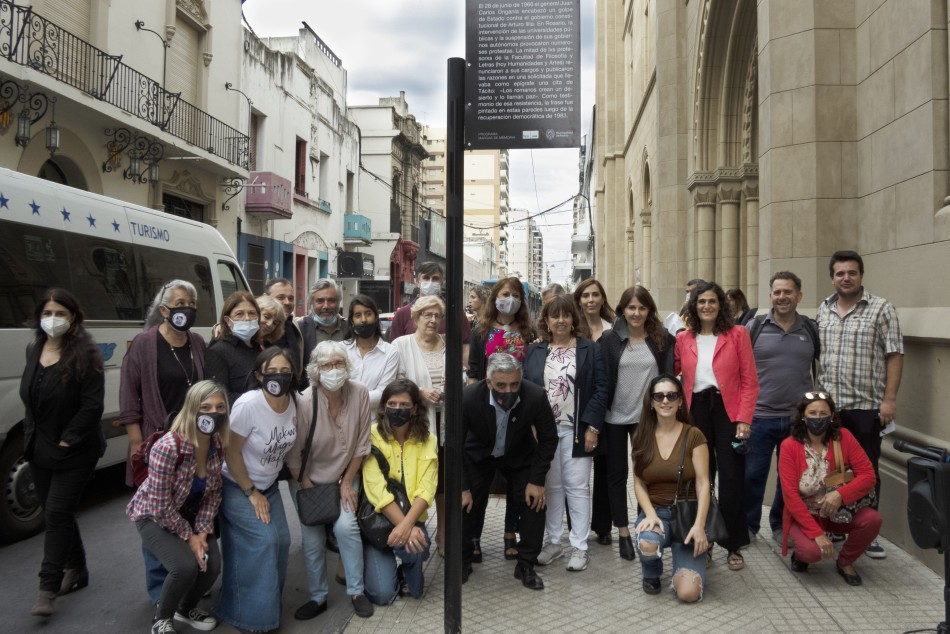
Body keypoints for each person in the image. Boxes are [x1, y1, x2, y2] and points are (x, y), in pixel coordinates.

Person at [120, 280, 208, 604]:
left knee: (185, 507)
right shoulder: (144, 344)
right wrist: (135, 441)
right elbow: (129, 393)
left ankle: (184, 583)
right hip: (157, 444)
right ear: (164, 310)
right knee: (157, 515)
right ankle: (161, 593)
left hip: (192, 444)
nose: (185, 308)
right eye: (179, 302)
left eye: (190, 302)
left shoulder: (198, 342)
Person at [21, 289, 104, 618]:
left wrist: (67, 441)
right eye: (46, 313)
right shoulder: (35, 348)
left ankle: (47, 588)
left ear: (72, 318)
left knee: (55, 514)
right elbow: (31, 397)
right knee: (59, 512)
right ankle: (78, 568)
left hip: (75, 451)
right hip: (39, 448)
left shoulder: (86, 355)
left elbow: (92, 406)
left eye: (60, 313)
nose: (52, 319)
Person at [816, 250, 903, 559]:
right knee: (831, 470)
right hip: (830, 410)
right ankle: (834, 525)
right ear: (833, 277)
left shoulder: (881, 309)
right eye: (840, 273)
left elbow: (894, 354)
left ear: (861, 275)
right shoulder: (823, 310)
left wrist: (889, 400)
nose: (846, 278)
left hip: (866, 407)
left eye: (851, 272)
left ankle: (867, 532)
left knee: (867, 471)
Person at [127, 380, 228, 634]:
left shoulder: (216, 445)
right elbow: (160, 507)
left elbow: (212, 495)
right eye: (205, 407)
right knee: (184, 566)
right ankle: (162, 618)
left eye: (219, 407)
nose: (212, 414)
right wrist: (190, 537)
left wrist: (203, 532)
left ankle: (185, 608)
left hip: (191, 515)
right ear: (192, 409)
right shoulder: (168, 447)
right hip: (153, 515)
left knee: (211, 564)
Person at [286, 341, 375, 620]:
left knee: (347, 529)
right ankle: (318, 597)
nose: (334, 370)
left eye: (339, 364)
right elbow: (293, 453)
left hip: (344, 477)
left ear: (346, 367)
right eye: (326, 365)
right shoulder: (304, 401)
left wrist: (348, 482)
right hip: (308, 479)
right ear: (316, 370)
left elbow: (362, 444)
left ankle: (357, 592)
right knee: (312, 539)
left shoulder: (359, 393)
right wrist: (306, 485)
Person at [674, 281, 759, 571]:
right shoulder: (684, 338)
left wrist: (744, 419)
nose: (707, 306)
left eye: (712, 301)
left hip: (728, 410)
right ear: (693, 307)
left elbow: (749, 381)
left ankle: (734, 543)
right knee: (701, 477)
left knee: (733, 478)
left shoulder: (738, 334)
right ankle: (704, 538)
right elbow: (675, 374)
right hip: (696, 410)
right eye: (701, 302)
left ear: (721, 304)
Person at [214, 348, 298, 632]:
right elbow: (231, 451)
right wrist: (251, 492)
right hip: (237, 484)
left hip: (268, 485)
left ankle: (266, 608)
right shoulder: (249, 404)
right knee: (263, 541)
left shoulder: (294, 402)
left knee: (282, 542)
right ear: (259, 375)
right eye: (272, 371)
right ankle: (245, 614)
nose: (279, 377)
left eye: (285, 371)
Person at [524, 295, 608, 572]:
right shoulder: (535, 351)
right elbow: (527, 389)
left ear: (574, 319)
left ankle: (580, 547)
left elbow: (600, 389)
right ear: (546, 321)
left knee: (578, 488)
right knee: (553, 488)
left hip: (578, 430)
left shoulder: (590, 349)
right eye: (554, 316)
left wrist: (592, 428)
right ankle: (554, 542)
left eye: (566, 315)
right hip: (545, 433)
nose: (560, 320)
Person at [461, 353, 558, 590]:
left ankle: (526, 564)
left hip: (519, 454)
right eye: (501, 385)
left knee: (535, 501)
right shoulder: (468, 398)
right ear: (488, 382)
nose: (508, 390)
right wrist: (462, 487)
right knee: (464, 503)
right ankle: (463, 560)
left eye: (515, 384)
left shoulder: (534, 395)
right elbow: (453, 445)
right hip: (479, 454)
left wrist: (536, 480)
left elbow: (549, 439)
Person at [592, 285, 675, 558]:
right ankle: (623, 530)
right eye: (631, 308)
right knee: (617, 475)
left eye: (642, 307)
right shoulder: (609, 340)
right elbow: (601, 381)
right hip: (613, 418)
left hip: (646, 419)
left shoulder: (661, 339)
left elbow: (668, 377)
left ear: (649, 310)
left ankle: (646, 524)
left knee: (646, 473)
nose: (636, 313)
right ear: (623, 310)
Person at [744, 272, 819, 545]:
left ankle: (779, 524)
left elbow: (820, 370)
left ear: (799, 296)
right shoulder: (754, 328)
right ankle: (748, 526)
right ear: (770, 296)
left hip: (797, 421)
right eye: (777, 292)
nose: (782, 297)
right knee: (752, 475)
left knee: (790, 480)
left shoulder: (811, 330)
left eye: (788, 292)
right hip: (760, 417)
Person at [778, 391, 881, 585]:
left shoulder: (844, 437)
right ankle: (801, 555)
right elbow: (790, 497)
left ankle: (845, 561)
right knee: (812, 553)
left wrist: (840, 495)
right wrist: (817, 535)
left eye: (823, 413)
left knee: (873, 519)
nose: (818, 418)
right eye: (813, 413)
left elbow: (868, 475)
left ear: (832, 416)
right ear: (803, 416)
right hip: (806, 514)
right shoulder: (789, 446)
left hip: (838, 511)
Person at [467, 277, 536, 560]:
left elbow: (533, 371)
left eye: (515, 294)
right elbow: (473, 371)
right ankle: (473, 537)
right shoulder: (480, 330)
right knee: (480, 482)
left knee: (516, 481)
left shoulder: (528, 332)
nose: (510, 298)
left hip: (519, 411)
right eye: (505, 293)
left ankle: (511, 534)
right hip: (487, 410)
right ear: (495, 297)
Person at [631, 374, 710, 601]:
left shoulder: (694, 435)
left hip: (688, 517)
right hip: (657, 512)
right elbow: (638, 482)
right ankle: (652, 573)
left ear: (680, 401)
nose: (665, 401)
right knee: (647, 542)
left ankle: (685, 565)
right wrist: (651, 514)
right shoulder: (641, 436)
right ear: (652, 403)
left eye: (671, 395)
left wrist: (700, 525)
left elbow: (704, 483)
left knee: (689, 594)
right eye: (659, 396)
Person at [362, 379, 438, 604]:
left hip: (412, 518)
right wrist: (406, 527)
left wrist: (407, 526)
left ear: (415, 408)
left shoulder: (428, 440)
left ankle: (407, 562)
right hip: (378, 520)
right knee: (383, 595)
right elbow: (376, 489)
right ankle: (392, 558)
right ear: (384, 406)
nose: (397, 409)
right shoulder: (370, 435)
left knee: (416, 552)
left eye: (404, 405)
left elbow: (428, 488)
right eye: (391, 404)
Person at [392, 296, 448, 555]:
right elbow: (393, 384)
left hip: (443, 424)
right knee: (413, 483)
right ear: (415, 318)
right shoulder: (401, 345)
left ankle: (445, 537)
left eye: (437, 315)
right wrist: (419, 393)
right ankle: (411, 535)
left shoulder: (449, 345)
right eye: (427, 314)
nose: (433, 320)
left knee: (443, 485)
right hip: (413, 426)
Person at [388, 262, 472, 350]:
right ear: (417, 282)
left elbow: (465, 346)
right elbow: (395, 349)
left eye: (435, 279)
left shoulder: (455, 313)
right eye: (426, 278)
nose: (430, 282)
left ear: (441, 283)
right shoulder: (402, 314)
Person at [205, 292, 263, 405]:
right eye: (239, 314)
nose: (247, 318)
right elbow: (221, 396)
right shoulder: (218, 351)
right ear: (227, 320)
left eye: (252, 313)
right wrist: (260, 400)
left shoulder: (258, 349)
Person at [344, 295, 399, 411]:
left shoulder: (390, 352)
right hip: (342, 421)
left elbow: (383, 392)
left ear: (375, 317)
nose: (363, 319)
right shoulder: (341, 349)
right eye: (358, 315)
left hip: (374, 423)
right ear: (351, 320)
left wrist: (347, 400)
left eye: (368, 314)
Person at [298, 278, 349, 372]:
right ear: (312, 304)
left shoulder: (349, 329)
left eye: (331, 300)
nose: (326, 306)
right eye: (320, 301)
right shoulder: (300, 330)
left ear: (338, 302)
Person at [264, 277, 305, 383]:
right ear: (265, 298)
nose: (287, 302)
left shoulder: (294, 324)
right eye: (280, 297)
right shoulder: (257, 328)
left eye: (291, 298)